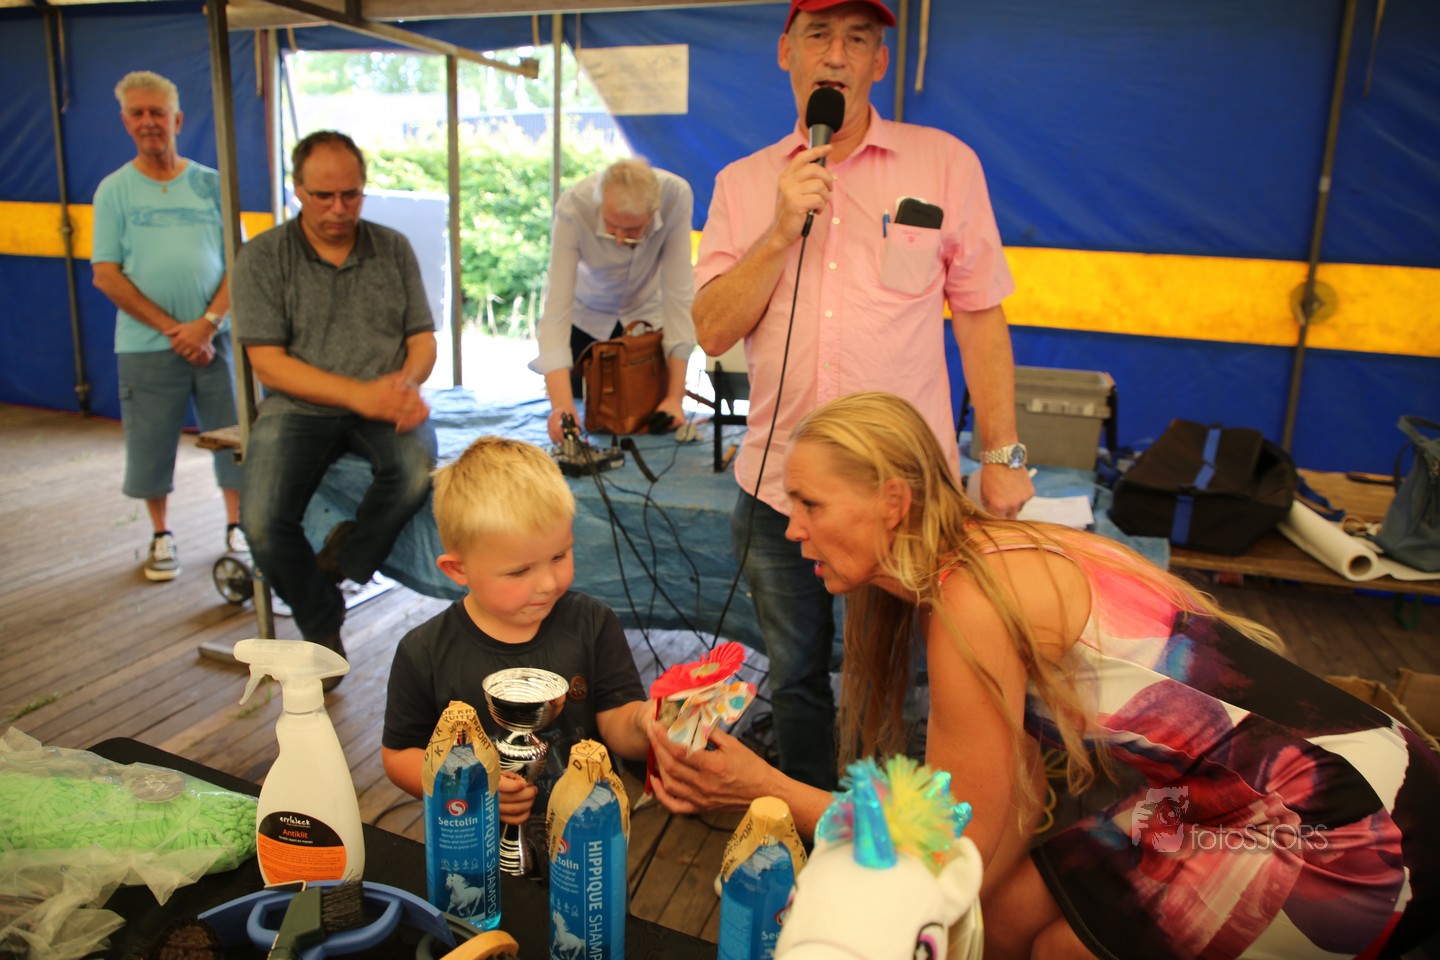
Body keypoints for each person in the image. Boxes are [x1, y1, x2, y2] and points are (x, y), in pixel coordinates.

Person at [649, 390, 1440, 959]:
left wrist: (768, 789)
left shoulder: (971, 602)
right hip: (1262, 788)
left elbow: (957, 842)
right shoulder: (983, 559)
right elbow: (1006, 809)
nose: (792, 529)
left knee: (1057, 946)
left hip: (1352, 820)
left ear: (892, 501)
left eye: (810, 504)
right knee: (1008, 917)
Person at [691, 0, 1033, 790]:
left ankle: (895, 835)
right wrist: (780, 229)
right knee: (795, 677)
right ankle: (807, 820)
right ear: (787, 52)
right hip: (779, 489)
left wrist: (1004, 455)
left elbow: (980, 315)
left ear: (881, 61)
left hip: (902, 497)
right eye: (819, 35)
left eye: (858, 38)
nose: (837, 55)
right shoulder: (744, 184)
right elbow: (711, 329)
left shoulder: (945, 163)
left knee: (901, 680)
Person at [231, 130, 436, 665]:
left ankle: (342, 564)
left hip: (385, 398)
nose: (339, 208)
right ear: (297, 189)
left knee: (414, 473)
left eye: (351, 194)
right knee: (260, 525)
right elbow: (267, 362)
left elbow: (422, 339)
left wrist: (408, 382)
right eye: (323, 196)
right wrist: (360, 395)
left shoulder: (392, 247)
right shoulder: (262, 256)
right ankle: (321, 622)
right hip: (297, 406)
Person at [381, 436, 652, 830]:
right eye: (519, 571)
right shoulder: (424, 653)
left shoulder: (593, 623)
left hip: (587, 838)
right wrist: (467, 788)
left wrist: (645, 723)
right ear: (458, 570)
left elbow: (616, 721)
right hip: (473, 839)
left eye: (559, 555)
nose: (548, 583)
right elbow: (399, 755)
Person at [91, 70, 244, 581]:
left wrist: (207, 324)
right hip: (145, 346)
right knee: (150, 444)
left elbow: (237, 261)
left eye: (157, 112)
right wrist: (176, 331)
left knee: (235, 439)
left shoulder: (210, 183)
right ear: (125, 122)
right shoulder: (113, 191)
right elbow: (106, 275)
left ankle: (238, 528)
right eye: (138, 113)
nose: (148, 122)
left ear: (177, 120)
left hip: (217, 341)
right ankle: (160, 536)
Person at [533, 157, 696, 443]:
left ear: (653, 212)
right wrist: (561, 407)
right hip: (585, 316)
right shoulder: (574, 206)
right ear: (601, 204)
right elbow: (556, 309)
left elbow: (679, 296)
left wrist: (675, 398)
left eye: (632, 231)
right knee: (580, 415)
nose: (620, 239)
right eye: (611, 226)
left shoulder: (677, 196)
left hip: (644, 318)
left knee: (648, 419)